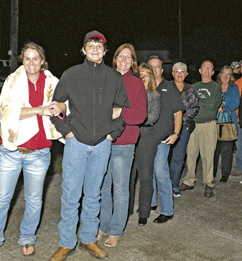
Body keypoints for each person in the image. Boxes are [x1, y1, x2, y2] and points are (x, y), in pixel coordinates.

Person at [49, 30, 130, 261]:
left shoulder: (114, 77)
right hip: (76, 144)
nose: (95, 49)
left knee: (94, 195)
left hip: (102, 145)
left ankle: (88, 238)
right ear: (84, 50)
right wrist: (68, 132)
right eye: (90, 45)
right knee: (70, 196)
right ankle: (66, 242)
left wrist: (112, 135)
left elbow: (123, 110)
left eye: (99, 46)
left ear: (105, 52)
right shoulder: (71, 74)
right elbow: (55, 107)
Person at [0, 42, 64, 257]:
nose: (31, 62)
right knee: (2, 198)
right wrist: (41, 109)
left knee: (34, 200)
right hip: (11, 151)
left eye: (35, 58)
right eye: (27, 58)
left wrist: (59, 108)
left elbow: (64, 108)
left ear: (42, 60)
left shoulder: (53, 82)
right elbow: (8, 112)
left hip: (39, 153)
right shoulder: (12, 81)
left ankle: (27, 237)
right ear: (22, 60)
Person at [98, 44, 147, 247]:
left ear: (133, 62)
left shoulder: (136, 83)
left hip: (123, 143)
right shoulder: (105, 78)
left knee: (120, 188)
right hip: (102, 141)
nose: (125, 60)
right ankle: (103, 225)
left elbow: (140, 115)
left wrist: (120, 111)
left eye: (129, 57)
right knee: (102, 187)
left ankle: (117, 229)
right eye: (121, 56)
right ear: (115, 58)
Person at [147, 56, 184, 223]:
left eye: (157, 67)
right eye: (151, 67)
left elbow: (178, 113)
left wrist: (176, 134)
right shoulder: (144, 87)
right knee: (149, 172)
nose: (154, 69)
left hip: (163, 139)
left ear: (162, 70)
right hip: (146, 138)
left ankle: (168, 210)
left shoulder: (169, 88)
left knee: (160, 172)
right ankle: (152, 202)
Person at [179, 60, 222, 197]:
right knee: (190, 154)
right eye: (205, 68)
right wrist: (195, 105)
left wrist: (196, 103)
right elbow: (187, 104)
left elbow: (212, 105)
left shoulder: (216, 87)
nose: (207, 70)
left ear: (213, 72)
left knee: (208, 155)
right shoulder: (193, 86)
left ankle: (208, 183)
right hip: (193, 125)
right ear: (199, 70)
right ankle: (189, 181)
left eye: (210, 68)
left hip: (209, 125)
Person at [129, 63, 160, 227]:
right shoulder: (130, 93)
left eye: (147, 75)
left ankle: (144, 212)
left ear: (151, 78)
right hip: (130, 134)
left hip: (147, 136)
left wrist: (134, 115)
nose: (143, 77)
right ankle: (126, 209)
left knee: (146, 176)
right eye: (140, 74)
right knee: (129, 175)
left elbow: (152, 117)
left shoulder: (155, 96)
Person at [169, 62, 199, 197]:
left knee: (178, 157)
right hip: (166, 127)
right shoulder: (166, 87)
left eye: (182, 71)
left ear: (186, 74)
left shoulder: (191, 89)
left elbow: (194, 107)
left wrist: (180, 120)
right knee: (162, 158)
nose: (179, 74)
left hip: (183, 128)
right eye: (177, 71)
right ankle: (162, 185)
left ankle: (174, 185)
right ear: (172, 73)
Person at [213, 66, 239, 182]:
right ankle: (211, 172)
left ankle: (225, 174)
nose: (226, 76)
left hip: (228, 122)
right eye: (224, 73)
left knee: (227, 151)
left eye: (228, 74)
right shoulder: (214, 86)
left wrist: (223, 107)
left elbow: (236, 103)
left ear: (231, 76)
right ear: (220, 74)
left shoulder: (234, 87)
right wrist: (215, 107)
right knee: (213, 150)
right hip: (214, 122)